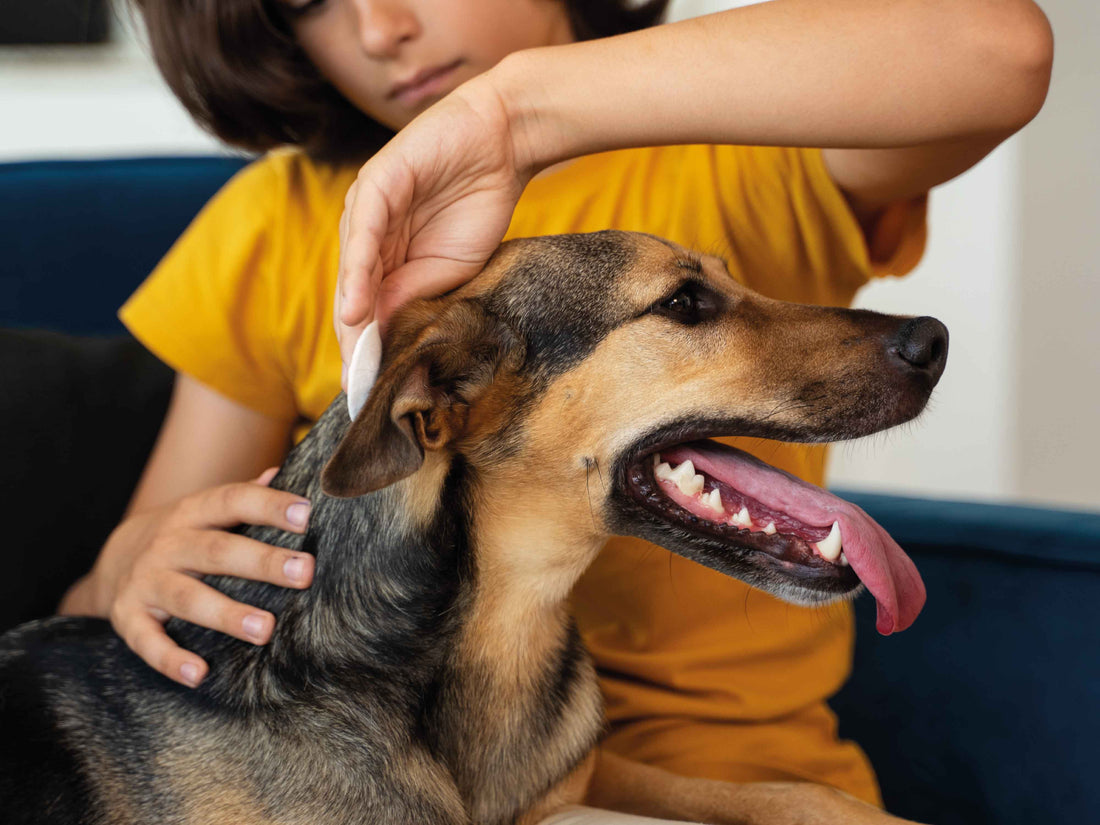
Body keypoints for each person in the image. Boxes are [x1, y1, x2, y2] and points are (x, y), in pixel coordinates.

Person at [58, 0, 1052, 808]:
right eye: (312, 3)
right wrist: (126, 563)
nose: (378, 27)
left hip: (749, 778)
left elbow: (997, 48)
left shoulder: (731, 148)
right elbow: (127, 589)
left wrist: (516, 111)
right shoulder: (279, 225)